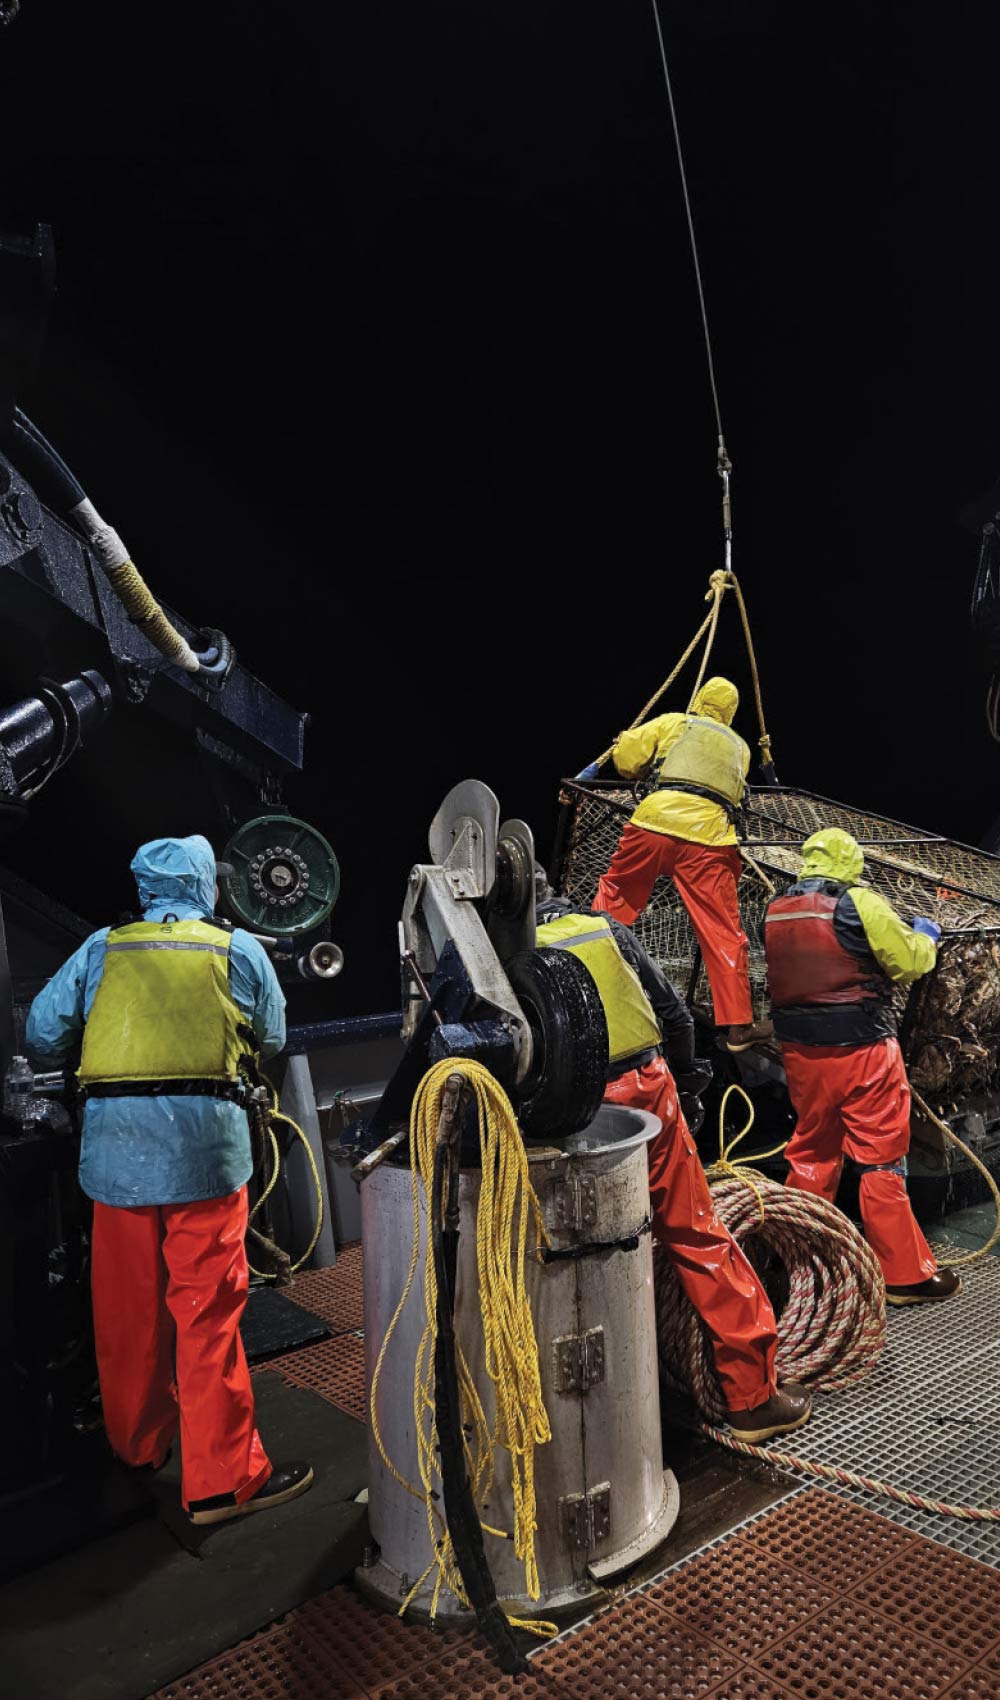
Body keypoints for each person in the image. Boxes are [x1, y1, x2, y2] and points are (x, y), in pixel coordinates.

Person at [26, 834, 314, 1523]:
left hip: (115, 1162)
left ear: (146, 887)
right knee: (206, 1316)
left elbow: (41, 1035)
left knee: (126, 1314)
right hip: (205, 1159)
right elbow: (271, 1037)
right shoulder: (235, 948)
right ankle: (222, 1481)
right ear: (202, 884)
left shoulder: (102, 947)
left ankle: (138, 1448)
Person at [536, 869, 811, 1442]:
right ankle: (752, 1398)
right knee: (694, 1231)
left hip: (554, 1115)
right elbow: (676, 1016)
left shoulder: (485, 953)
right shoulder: (601, 928)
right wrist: (686, 1093)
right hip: (640, 1092)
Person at [763, 827, 960, 1305]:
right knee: (880, 1158)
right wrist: (926, 936)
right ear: (852, 861)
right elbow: (908, 962)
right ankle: (904, 1276)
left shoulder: (776, 908)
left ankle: (797, 1262)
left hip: (802, 1054)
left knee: (811, 1152)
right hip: (863, 1051)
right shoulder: (859, 902)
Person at [591, 677, 772, 1052]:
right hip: (708, 842)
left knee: (616, 895)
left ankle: (588, 972)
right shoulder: (741, 748)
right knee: (723, 932)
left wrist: (626, 744)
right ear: (731, 712)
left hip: (654, 824)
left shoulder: (676, 722)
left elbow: (628, 761)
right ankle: (738, 1028)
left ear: (700, 698)